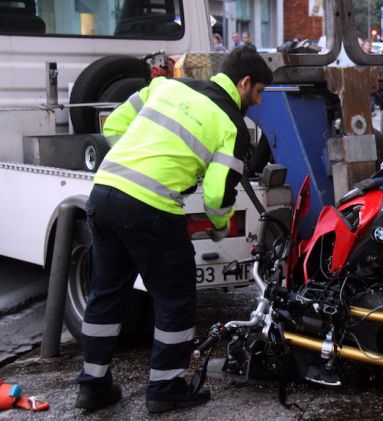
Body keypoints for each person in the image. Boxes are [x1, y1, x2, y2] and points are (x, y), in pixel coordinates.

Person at [74, 46, 273, 413]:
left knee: (107, 294)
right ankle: (165, 388)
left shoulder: (167, 87)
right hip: (151, 209)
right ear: (244, 83)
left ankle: (92, 386)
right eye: (258, 92)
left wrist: (139, 161)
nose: (258, 102)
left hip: (103, 194)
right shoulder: (232, 126)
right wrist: (217, 226)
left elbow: (114, 124)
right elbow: (215, 197)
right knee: (175, 299)